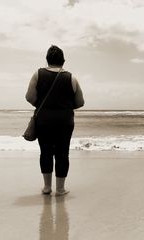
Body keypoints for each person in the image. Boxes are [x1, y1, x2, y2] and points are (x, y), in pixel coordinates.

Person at [26, 45, 85, 196]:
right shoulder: (71, 78)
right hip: (65, 121)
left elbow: (29, 97)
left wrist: (43, 105)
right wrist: (64, 106)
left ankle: (47, 187)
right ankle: (60, 189)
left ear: (47, 59)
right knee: (62, 153)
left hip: (44, 120)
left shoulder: (38, 74)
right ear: (63, 60)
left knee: (45, 152)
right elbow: (80, 102)